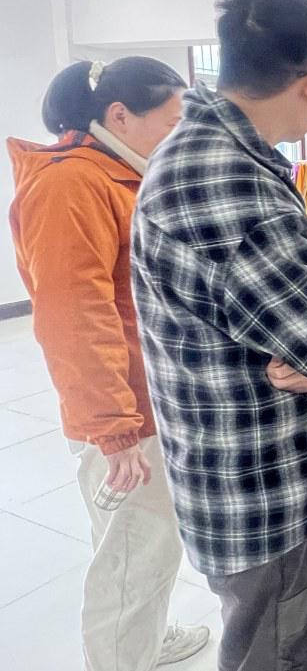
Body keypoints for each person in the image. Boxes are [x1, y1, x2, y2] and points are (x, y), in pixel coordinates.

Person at [130, 0, 307, 671]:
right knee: (294, 651)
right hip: (265, 494)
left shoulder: (224, 153)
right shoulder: (223, 178)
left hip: (289, 481)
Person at [7, 57, 210, 670]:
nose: (182, 135)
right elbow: (74, 318)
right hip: (126, 414)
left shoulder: (121, 175)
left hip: (151, 399)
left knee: (141, 548)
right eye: (173, 121)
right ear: (119, 115)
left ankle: (144, 640)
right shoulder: (71, 184)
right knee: (132, 559)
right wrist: (115, 430)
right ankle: (123, 658)